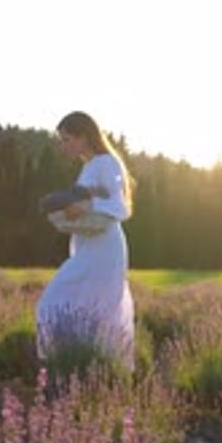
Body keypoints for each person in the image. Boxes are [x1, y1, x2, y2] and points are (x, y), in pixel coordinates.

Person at [36, 111, 135, 371]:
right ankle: (79, 369)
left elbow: (121, 206)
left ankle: (98, 372)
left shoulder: (107, 163)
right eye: (61, 140)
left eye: (67, 139)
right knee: (83, 309)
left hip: (105, 248)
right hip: (87, 247)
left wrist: (87, 204)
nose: (63, 146)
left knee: (61, 303)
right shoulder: (89, 166)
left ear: (84, 136)